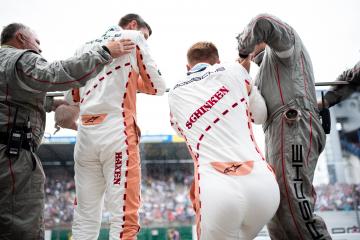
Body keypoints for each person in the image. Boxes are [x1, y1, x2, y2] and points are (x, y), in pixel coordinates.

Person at [0, 23, 134, 240]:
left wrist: (51, 103)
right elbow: (54, 74)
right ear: (21, 38)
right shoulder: (20, 58)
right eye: (37, 42)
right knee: (21, 227)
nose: (40, 49)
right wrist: (104, 52)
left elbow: (11, 97)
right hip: (11, 157)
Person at [56, 14, 166, 240]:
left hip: (86, 135)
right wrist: (135, 78)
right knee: (123, 216)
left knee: (85, 215)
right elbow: (158, 86)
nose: (145, 41)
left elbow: (72, 96)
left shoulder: (83, 47)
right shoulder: (133, 37)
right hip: (117, 132)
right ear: (134, 25)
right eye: (146, 36)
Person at [168, 41, 279, 240]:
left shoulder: (175, 90)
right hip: (263, 186)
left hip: (217, 188)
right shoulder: (235, 71)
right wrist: (245, 82)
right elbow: (260, 116)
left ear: (187, 68)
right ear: (217, 61)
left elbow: (179, 129)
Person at [237, 14, 332, 239]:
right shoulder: (261, 74)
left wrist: (241, 52)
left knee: (293, 198)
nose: (248, 47)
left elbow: (262, 21)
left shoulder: (284, 48)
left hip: (293, 125)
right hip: (277, 133)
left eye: (244, 39)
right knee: (276, 205)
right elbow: (256, 115)